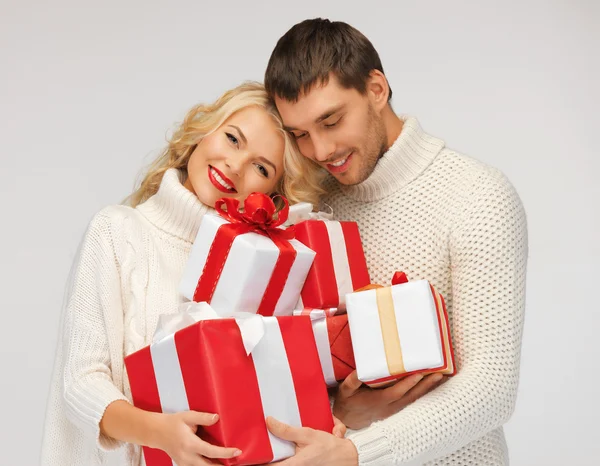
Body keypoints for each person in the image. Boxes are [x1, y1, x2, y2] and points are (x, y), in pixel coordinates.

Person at [264, 18, 528, 465]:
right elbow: (292, 366)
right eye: (300, 135)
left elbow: (492, 389)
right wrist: (343, 413)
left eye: (331, 120)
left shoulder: (477, 195)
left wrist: (356, 453)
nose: (320, 150)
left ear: (377, 88)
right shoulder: (309, 208)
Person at [40, 82, 336, 466]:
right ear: (203, 131)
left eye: (261, 167)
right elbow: (80, 383)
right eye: (232, 139)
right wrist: (161, 433)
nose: (235, 165)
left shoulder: (262, 270)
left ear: (273, 193)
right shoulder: (117, 231)